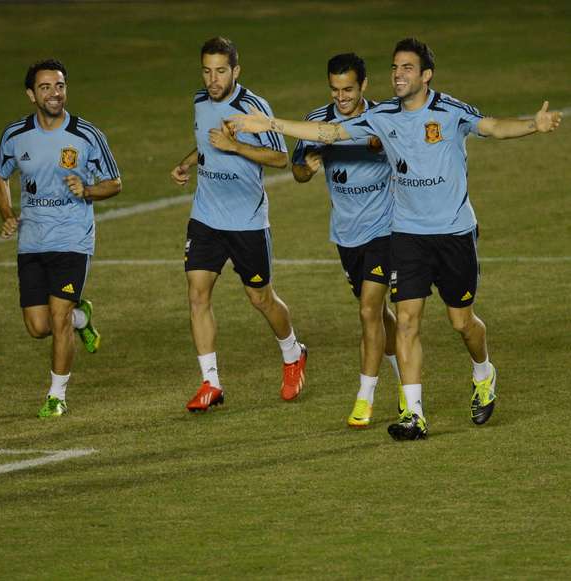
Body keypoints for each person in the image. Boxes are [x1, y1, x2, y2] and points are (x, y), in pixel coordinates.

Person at [229, 38, 562, 439]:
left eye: (407, 67)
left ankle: (483, 371)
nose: (398, 74)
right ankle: (413, 413)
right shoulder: (384, 115)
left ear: (425, 75)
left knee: (462, 322)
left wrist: (533, 125)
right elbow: (330, 131)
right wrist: (271, 124)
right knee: (405, 321)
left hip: (454, 233)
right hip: (407, 234)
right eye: (394, 67)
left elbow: (492, 126)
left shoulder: (449, 111)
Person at [170, 37, 307, 412]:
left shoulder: (253, 106)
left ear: (236, 71)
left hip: (246, 222)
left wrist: (237, 148)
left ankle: (293, 353)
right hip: (206, 218)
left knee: (260, 298)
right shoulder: (200, 101)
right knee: (197, 294)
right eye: (207, 71)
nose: (213, 79)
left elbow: (280, 158)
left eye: (220, 71)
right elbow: (205, 144)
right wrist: (187, 163)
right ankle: (210, 382)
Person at [0, 59, 121, 418]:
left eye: (60, 86)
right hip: (32, 240)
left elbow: (115, 182)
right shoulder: (15, 135)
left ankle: (56, 395)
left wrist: (89, 190)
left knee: (58, 317)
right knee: (38, 327)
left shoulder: (87, 136)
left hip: (72, 238)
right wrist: (6, 215)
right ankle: (83, 318)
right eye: (46, 87)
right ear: (31, 94)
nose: (55, 93)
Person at [291, 53, 404, 428]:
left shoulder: (384, 118)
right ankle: (406, 380)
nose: (341, 97)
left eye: (349, 89)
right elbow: (297, 170)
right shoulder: (316, 123)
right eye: (335, 89)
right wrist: (305, 171)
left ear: (365, 85)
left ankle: (364, 397)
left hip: (386, 229)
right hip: (346, 235)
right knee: (380, 313)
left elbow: (411, 158)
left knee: (369, 310)